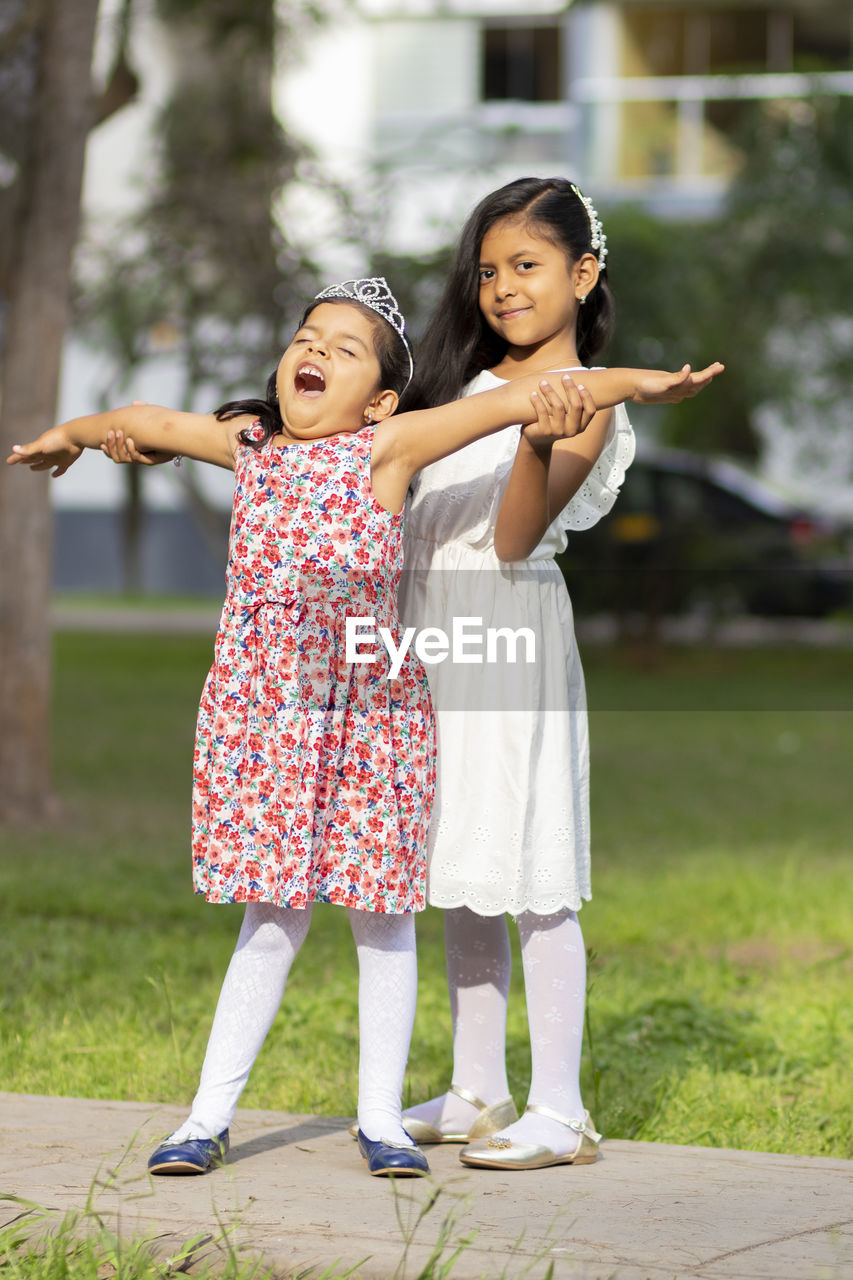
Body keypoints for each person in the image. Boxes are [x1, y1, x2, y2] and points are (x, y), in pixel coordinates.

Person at [7, 275, 719, 1178]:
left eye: (345, 351)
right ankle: (204, 1117)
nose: (316, 354)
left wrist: (645, 384)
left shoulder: (388, 450)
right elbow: (148, 418)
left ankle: (380, 1119)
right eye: (307, 338)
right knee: (270, 919)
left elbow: (513, 405)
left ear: (379, 397)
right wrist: (69, 440)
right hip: (267, 723)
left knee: (382, 919)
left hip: (373, 725)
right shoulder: (253, 446)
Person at [392, 176, 716, 1171]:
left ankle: (562, 1107)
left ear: (582, 274)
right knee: (461, 867)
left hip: (507, 629)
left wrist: (534, 440)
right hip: (428, 635)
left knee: (530, 869)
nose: (501, 287)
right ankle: (478, 1086)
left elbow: (512, 534)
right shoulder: (451, 384)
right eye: (487, 270)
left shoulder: (584, 405)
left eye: (525, 266)